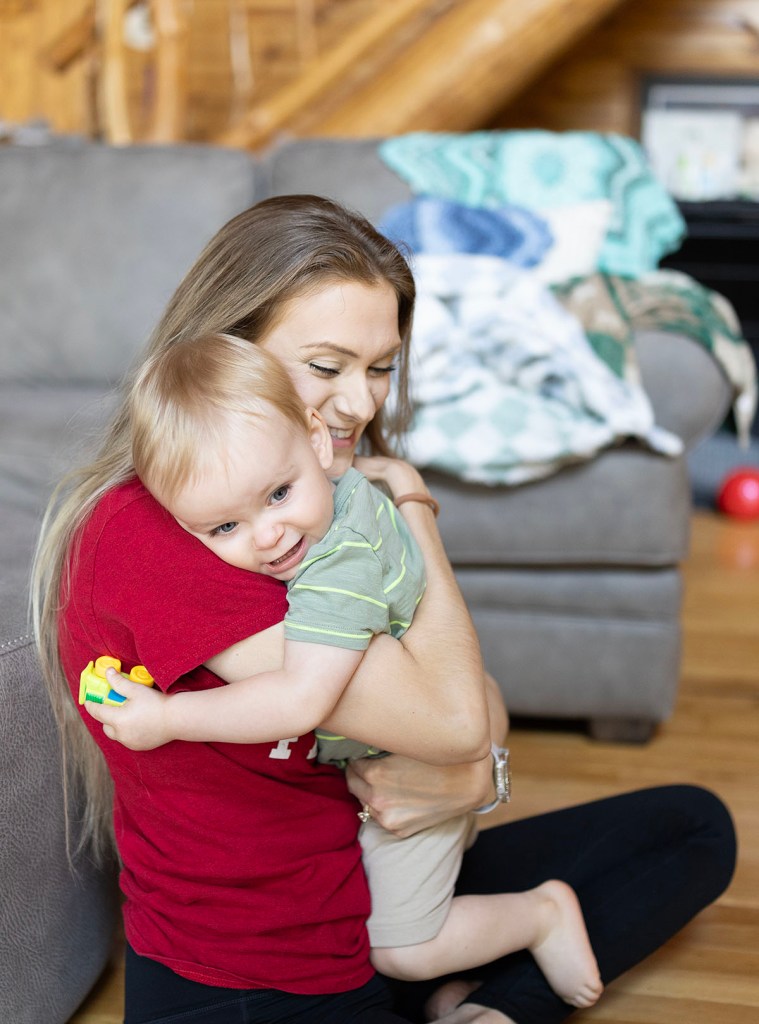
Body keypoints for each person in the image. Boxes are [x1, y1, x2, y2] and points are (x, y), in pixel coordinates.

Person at [32, 194, 736, 1024]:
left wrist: (473, 775)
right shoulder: (160, 533)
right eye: (327, 366)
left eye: (379, 368)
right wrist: (410, 505)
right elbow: (455, 722)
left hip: (360, 888)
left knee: (691, 827)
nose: (362, 405)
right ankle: (485, 1002)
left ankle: (474, 997)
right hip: (260, 982)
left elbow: (474, 707)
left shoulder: (310, 502)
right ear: (230, 352)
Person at [85, 331, 602, 1009]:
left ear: (314, 437)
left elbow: (301, 699)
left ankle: (541, 915)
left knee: (404, 947)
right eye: (223, 529)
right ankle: (459, 993)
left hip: (408, 771)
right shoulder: (333, 494)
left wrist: (167, 716)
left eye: (277, 494)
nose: (267, 536)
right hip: (388, 765)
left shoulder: (338, 565)